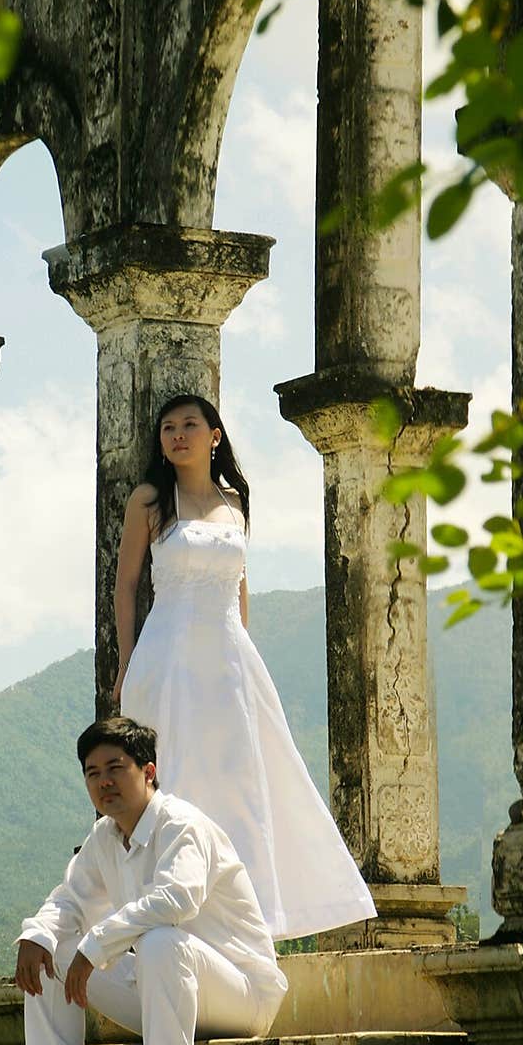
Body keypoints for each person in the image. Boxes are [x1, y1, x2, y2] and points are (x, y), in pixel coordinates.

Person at [113, 393, 376, 940]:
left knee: (242, 780)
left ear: (214, 435)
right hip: (168, 655)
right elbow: (127, 585)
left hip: (229, 659)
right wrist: (124, 660)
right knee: (173, 778)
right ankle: (165, 916)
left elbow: (240, 583)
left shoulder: (237, 501)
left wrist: (244, 655)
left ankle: (247, 921)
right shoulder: (149, 500)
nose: (177, 434)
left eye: (190, 424)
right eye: (167, 427)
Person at [0, 716, 288, 1045]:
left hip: (239, 995)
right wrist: (35, 934)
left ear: (148, 772)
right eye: (93, 773)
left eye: (115, 768)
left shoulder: (182, 825)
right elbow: (70, 898)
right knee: (52, 949)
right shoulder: (105, 838)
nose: (104, 782)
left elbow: (177, 898)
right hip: (167, 993)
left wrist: (96, 943)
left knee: (161, 940)